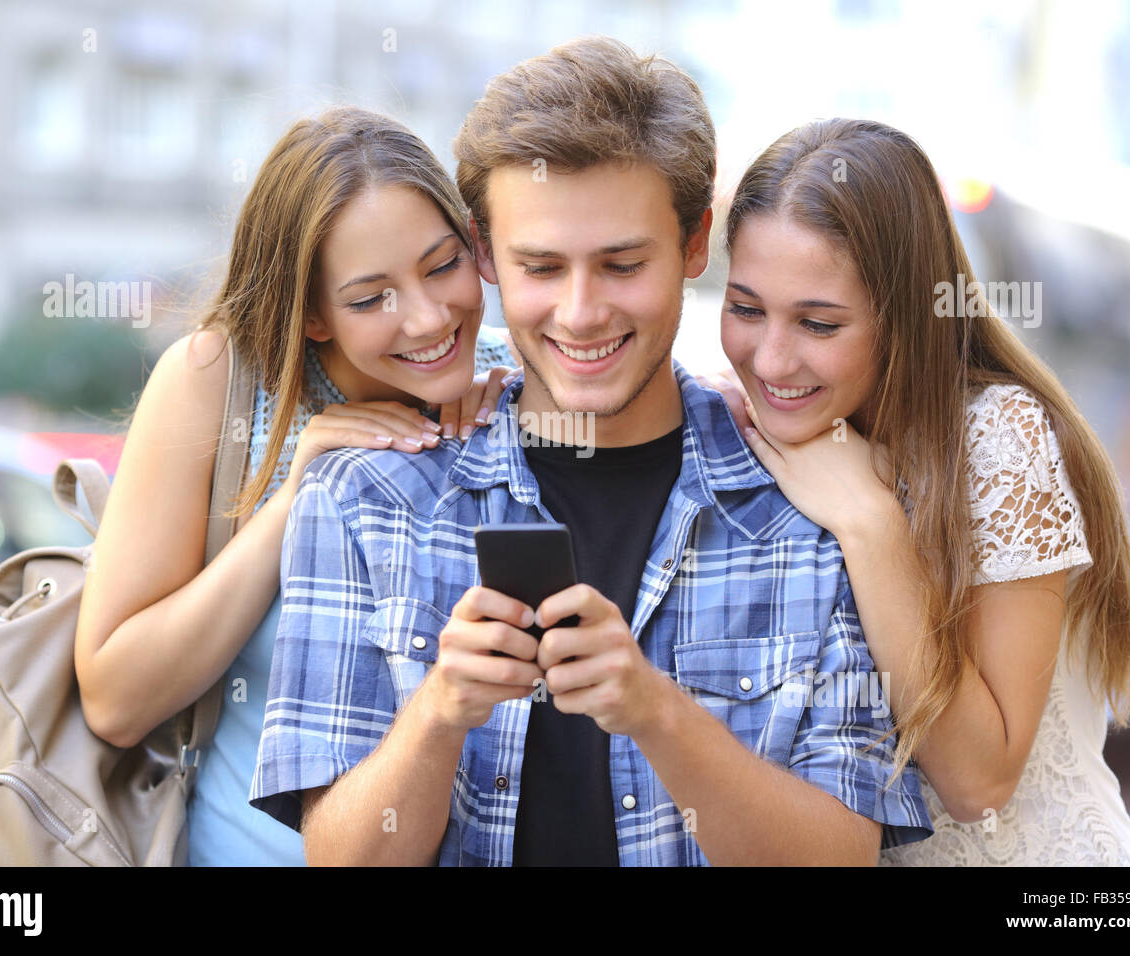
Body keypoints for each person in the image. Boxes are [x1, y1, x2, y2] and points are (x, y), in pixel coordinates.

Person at [250, 37, 932, 865]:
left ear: (693, 244)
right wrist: (441, 708)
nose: (580, 313)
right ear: (484, 254)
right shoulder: (365, 499)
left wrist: (655, 710)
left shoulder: (810, 503)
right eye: (541, 265)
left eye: (621, 264)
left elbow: (840, 857)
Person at [73, 106, 517, 866]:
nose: (428, 316)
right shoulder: (218, 382)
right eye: (371, 296)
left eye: (442, 265)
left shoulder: (511, 380)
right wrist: (293, 499)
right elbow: (115, 699)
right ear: (312, 314)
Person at [713, 118, 1130, 865]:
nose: (772, 357)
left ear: (906, 318)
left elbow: (979, 781)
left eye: (819, 322)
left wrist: (871, 524)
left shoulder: (1000, 438)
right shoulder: (774, 427)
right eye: (747, 309)